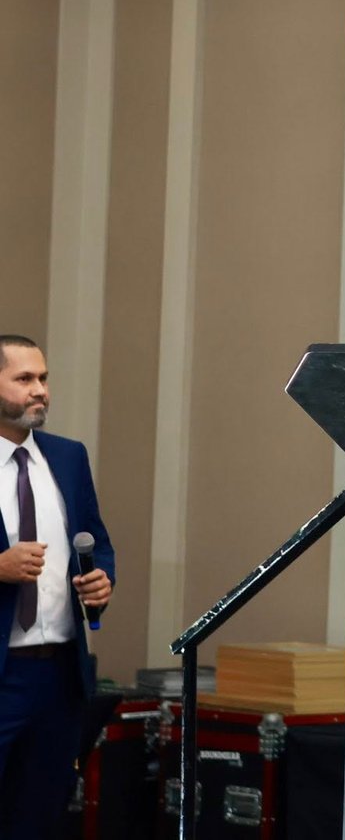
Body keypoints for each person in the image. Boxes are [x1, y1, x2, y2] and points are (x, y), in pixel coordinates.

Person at [0, 335, 114, 839]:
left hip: (59, 677)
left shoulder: (68, 457)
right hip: (3, 674)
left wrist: (102, 578)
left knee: (40, 815)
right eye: (24, 379)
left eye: (43, 378)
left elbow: (97, 541)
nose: (40, 390)